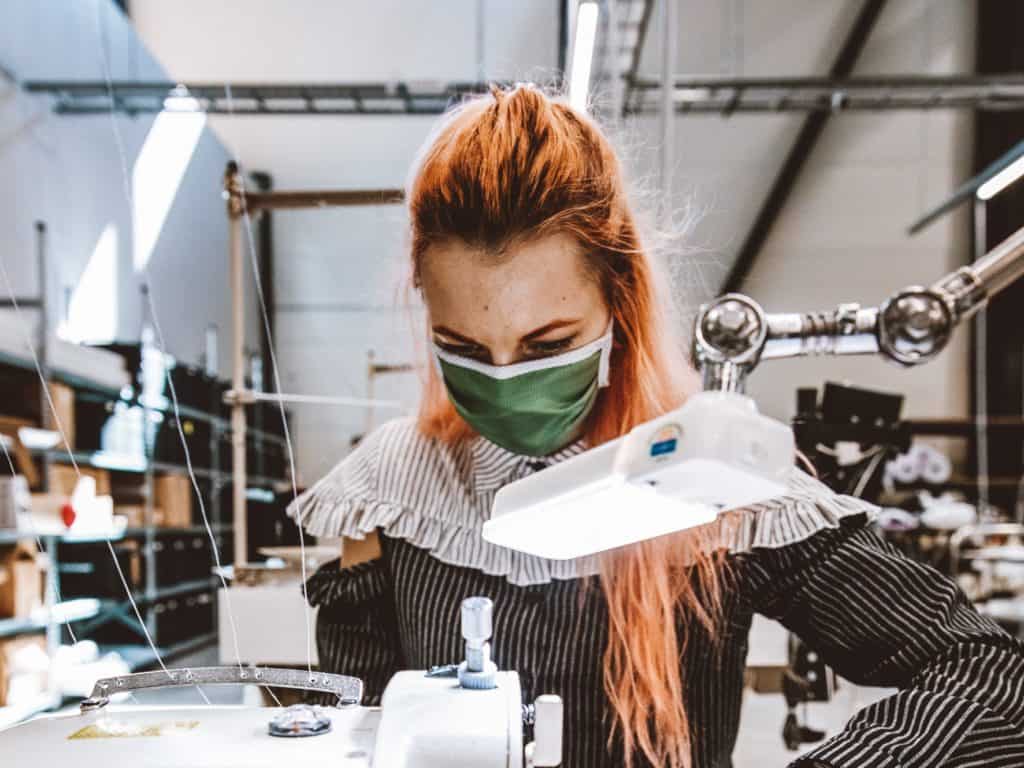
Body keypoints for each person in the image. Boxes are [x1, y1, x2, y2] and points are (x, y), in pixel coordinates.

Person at [289, 84, 1024, 768]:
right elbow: (356, 730)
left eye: (546, 345)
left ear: (620, 304)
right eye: (463, 348)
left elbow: (990, 681)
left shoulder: (713, 480)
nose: (508, 376)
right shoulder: (392, 488)